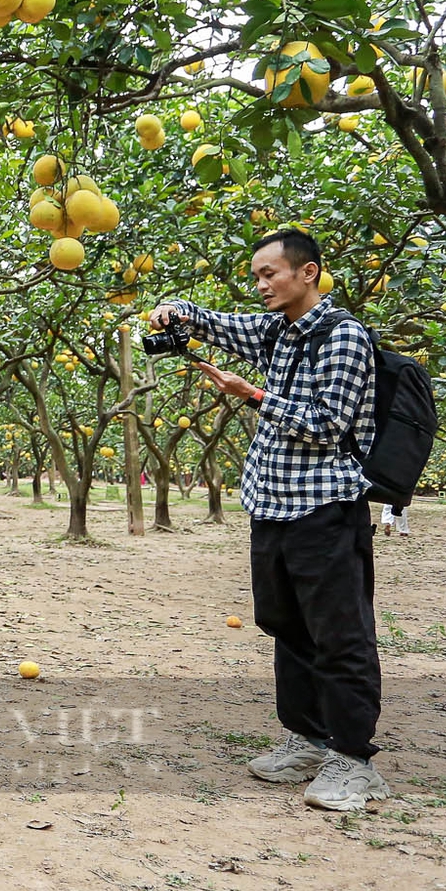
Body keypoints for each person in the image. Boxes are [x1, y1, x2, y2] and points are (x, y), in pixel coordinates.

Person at [151, 228, 387, 812]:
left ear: (307, 273)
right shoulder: (275, 332)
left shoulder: (344, 338)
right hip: (272, 505)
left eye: (269, 274)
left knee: (339, 632)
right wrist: (174, 312)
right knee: (285, 625)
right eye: (256, 276)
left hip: (326, 507)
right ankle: (306, 738)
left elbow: (330, 424)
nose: (260, 286)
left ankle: (353, 759)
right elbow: (215, 322)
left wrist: (253, 396)